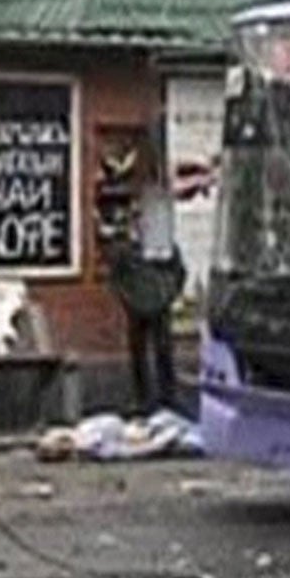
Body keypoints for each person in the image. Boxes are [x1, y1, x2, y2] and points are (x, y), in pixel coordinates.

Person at [106, 145, 186, 414]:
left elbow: (178, 270)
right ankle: (144, 399)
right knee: (139, 354)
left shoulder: (161, 243)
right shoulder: (125, 249)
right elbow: (116, 275)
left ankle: (168, 397)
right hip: (137, 307)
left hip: (158, 305)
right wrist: (129, 300)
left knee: (164, 351)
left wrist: (168, 293)